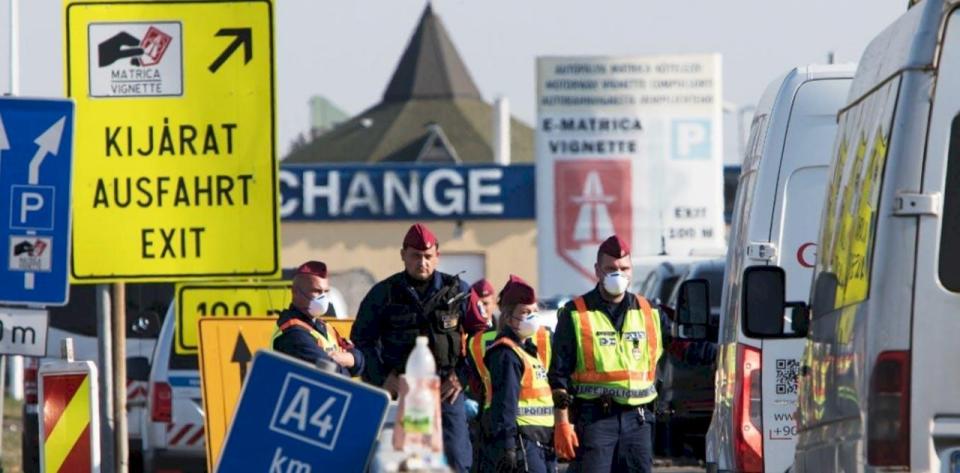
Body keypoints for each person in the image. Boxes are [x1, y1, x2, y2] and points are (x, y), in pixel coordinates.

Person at [352, 223, 473, 472]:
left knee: (457, 460)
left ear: (437, 256)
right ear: (403, 255)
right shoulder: (383, 294)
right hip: (402, 391)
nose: (422, 262)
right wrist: (382, 378)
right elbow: (362, 340)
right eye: (415, 256)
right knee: (402, 462)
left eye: (428, 256)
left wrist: (461, 376)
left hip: (445, 390)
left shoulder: (458, 292)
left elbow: (480, 338)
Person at [548, 235, 662, 473]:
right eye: (610, 268)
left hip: (638, 422)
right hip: (595, 420)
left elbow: (675, 350)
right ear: (597, 271)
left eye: (623, 268)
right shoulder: (575, 313)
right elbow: (558, 376)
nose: (618, 274)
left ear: (631, 271)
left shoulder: (649, 311)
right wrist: (562, 423)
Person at [483, 275, 556, 473]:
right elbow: (505, 403)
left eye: (534, 311)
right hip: (523, 441)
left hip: (543, 441)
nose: (532, 316)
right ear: (508, 318)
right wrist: (508, 446)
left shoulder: (528, 351)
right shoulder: (506, 353)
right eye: (525, 312)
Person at [272, 260, 364, 378]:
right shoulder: (292, 333)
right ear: (295, 292)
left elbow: (360, 362)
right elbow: (332, 374)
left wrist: (348, 358)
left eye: (326, 292)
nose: (323, 298)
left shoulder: (325, 326)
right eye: (317, 291)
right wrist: (348, 364)